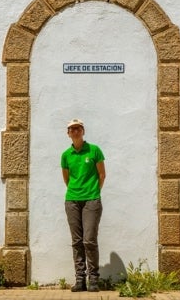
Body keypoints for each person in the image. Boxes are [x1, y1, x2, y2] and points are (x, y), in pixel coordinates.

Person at [61, 118, 106, 293]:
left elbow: (102, 175)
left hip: (92, 200)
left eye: (78, 128)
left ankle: (94, 279)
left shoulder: (94, 150)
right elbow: (67, 178)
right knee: (77, 242)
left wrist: (93, 192)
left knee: (89, 240)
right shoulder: (66, 155)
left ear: (83, 131)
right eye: (72, 129)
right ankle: (80, 280)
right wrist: (76, 191)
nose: (75, 131)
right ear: (68, 134)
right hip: (72, 200)